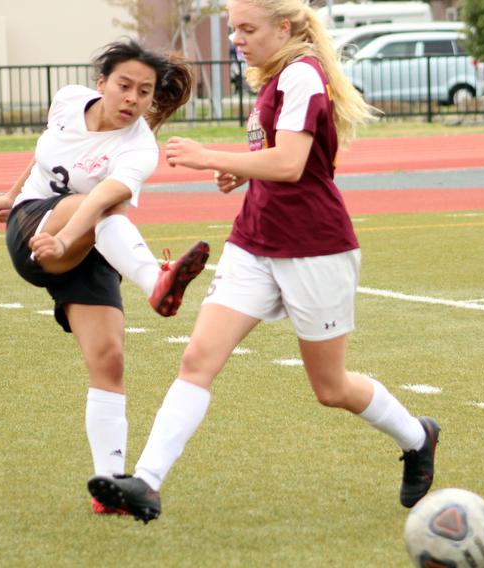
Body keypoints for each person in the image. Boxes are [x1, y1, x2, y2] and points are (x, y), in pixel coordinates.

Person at [87, 0, 439, 524]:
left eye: (247, 28)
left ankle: (417, 437)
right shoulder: (274, 79)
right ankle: (146, 482)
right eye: (233, 28)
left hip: (315, 247)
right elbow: (277, 159)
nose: (236, 38)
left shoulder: (303, 76)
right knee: (197, 360)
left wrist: (213, 157)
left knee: (331, 388)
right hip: (253, 241)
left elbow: (293, 164)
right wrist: (243, 172)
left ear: (284, 27)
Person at [0, 40, 210, 515]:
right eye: (124, 85)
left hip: (88, 243)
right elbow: (47, 149)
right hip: (35, 226)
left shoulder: (139, 148)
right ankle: (156, 283)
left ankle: (108, 487)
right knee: (105, 215)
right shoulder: (68, 99)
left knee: (109, 360)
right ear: (101, 82)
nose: (132, 98)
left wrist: (69, 242)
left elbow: (102, 197)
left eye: (144, 92)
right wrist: (12, 193)